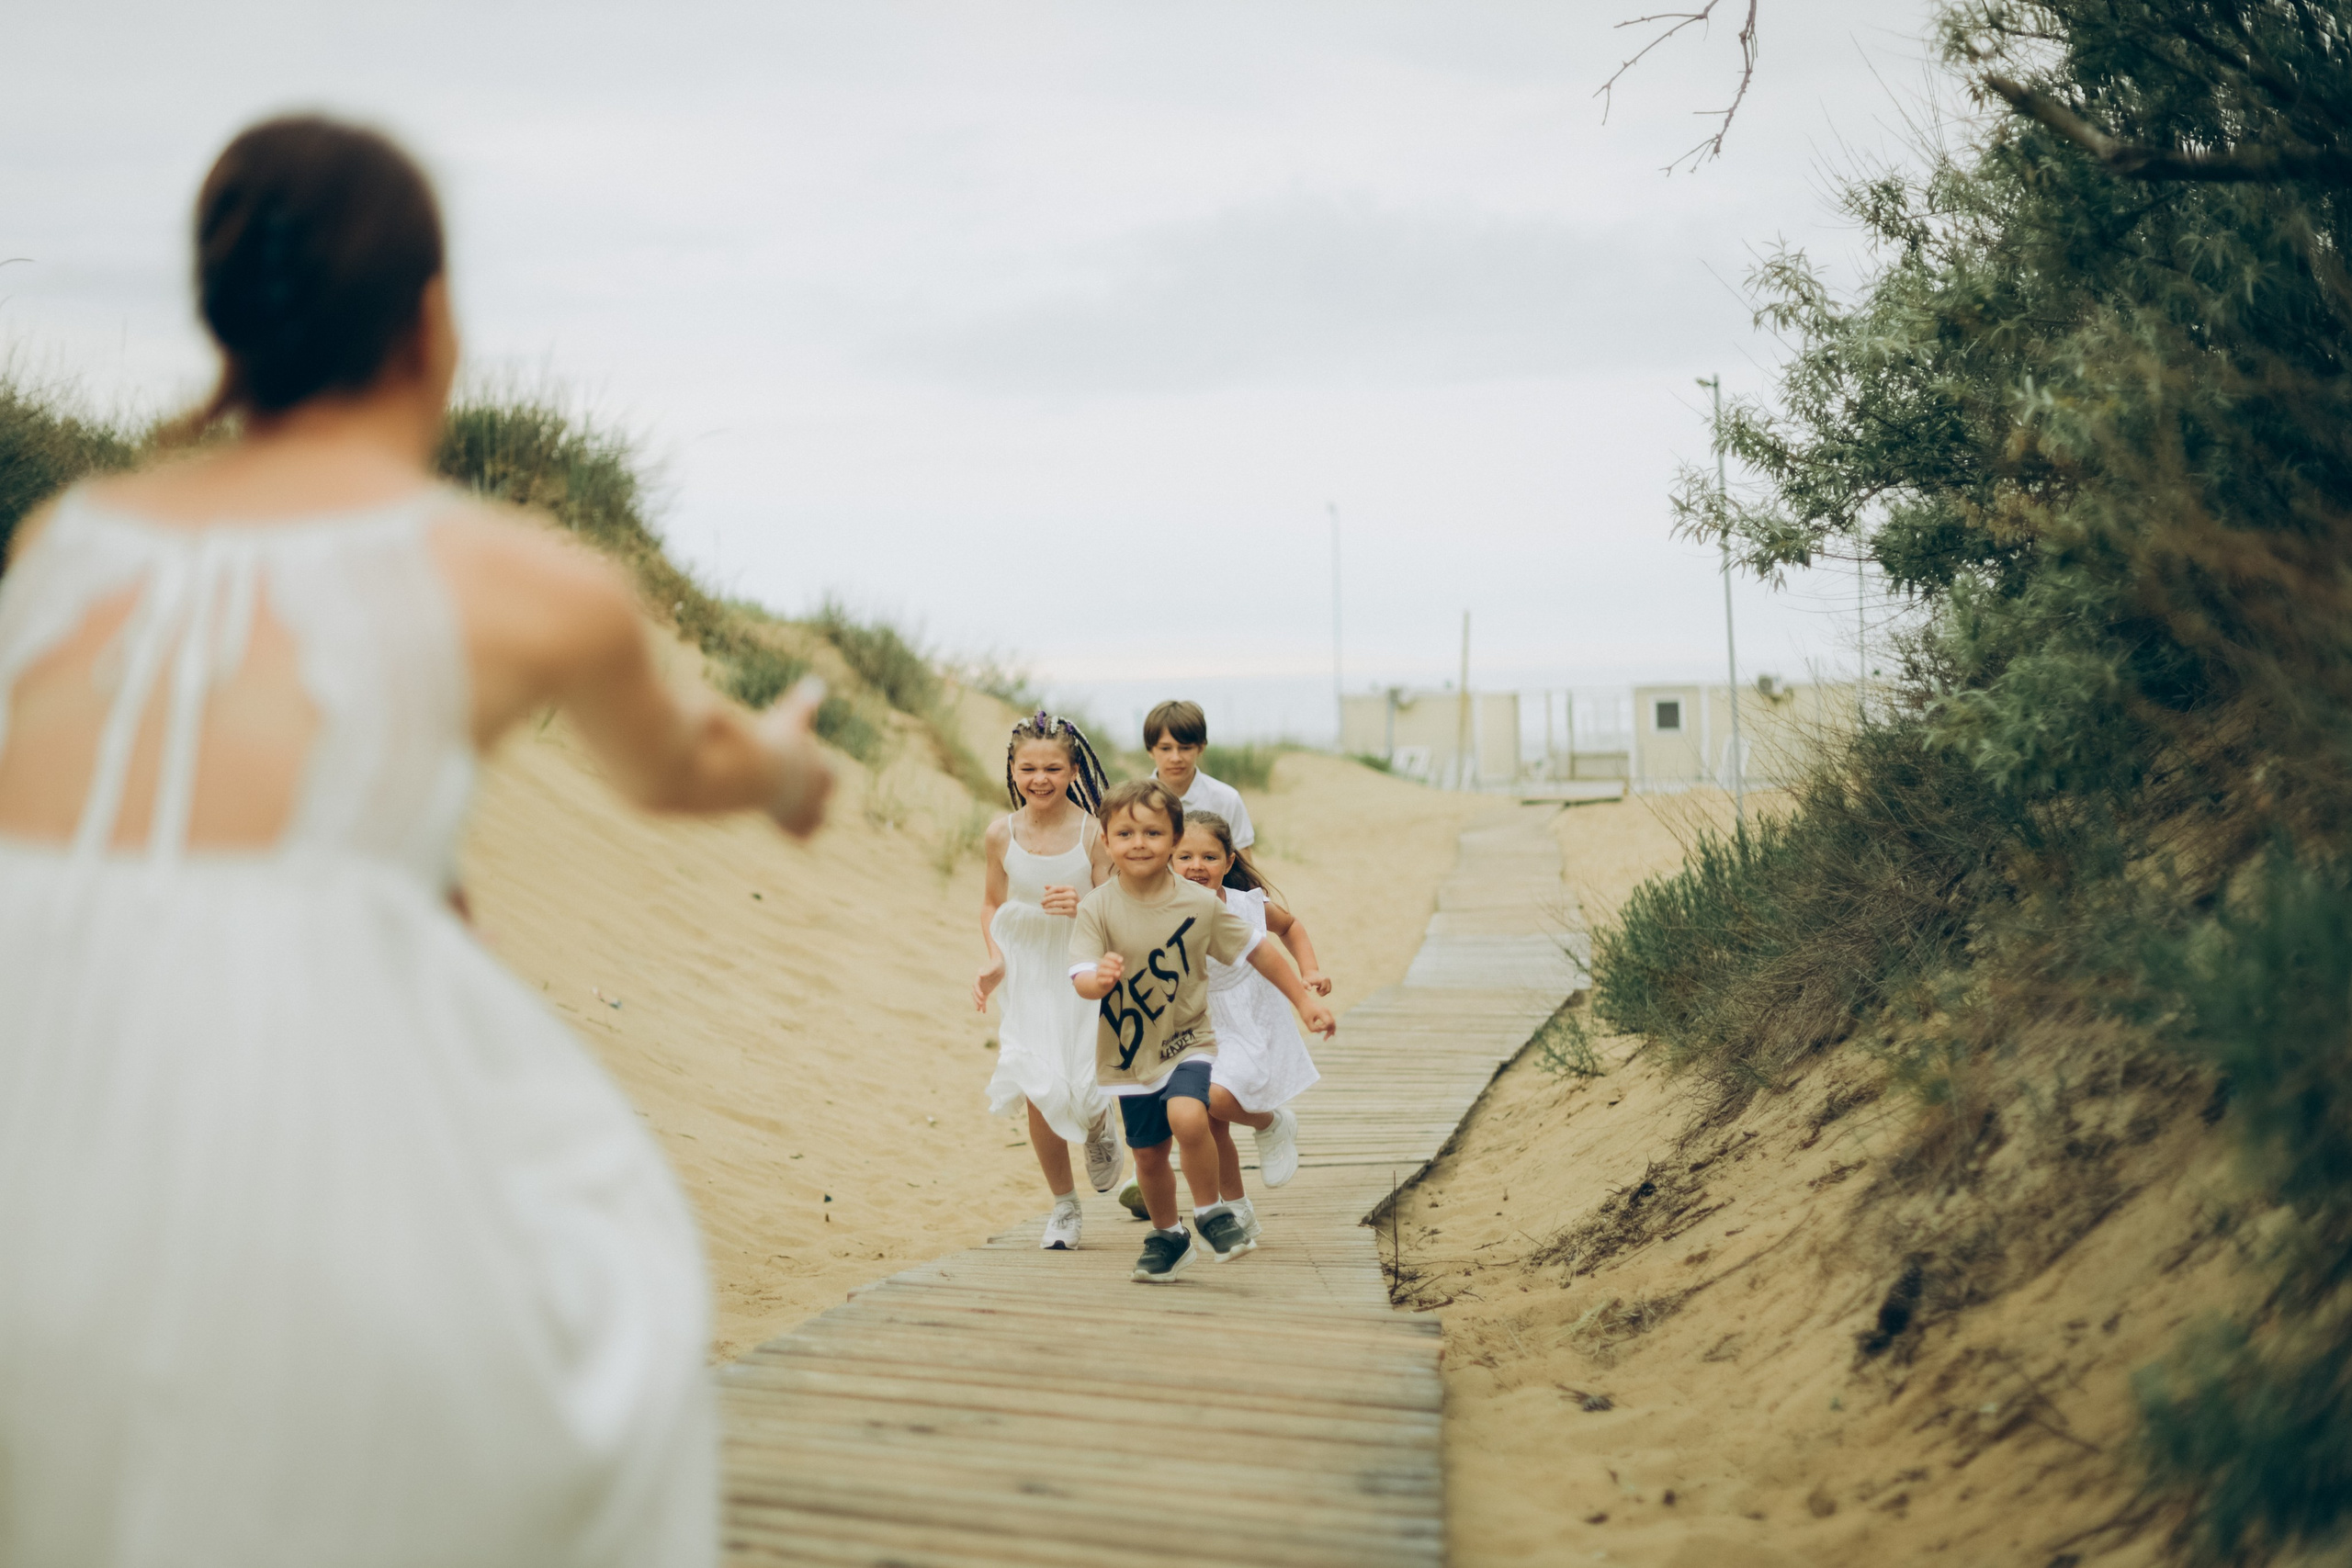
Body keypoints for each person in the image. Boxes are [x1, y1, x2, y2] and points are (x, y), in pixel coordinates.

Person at [0, 116, 831, 1567]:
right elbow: (686, 760)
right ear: (430, 317)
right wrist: (784, 769)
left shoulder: (65, 542)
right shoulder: (513, 573)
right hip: (279, 1093)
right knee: (590, 1341)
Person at [1069, 780, 1334, 1282]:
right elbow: (1079, 974)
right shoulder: (1096, 908)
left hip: (1189, 1039)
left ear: (1171, 842)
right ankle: (1168, 1235)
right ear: (1106, 841)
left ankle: (1212, 1210)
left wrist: (1304, 1001)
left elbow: (1259, 949)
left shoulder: (1201, 903)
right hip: (1128, 1052)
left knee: (1191, 1117)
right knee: (1147, 1155)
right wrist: (1095, 979)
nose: (1139, 842)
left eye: (1152, 832)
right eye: (1125, 832)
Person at [972, 711, 1125, 1249]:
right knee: (1037, 1083)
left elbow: (1118, 908)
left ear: (1073, 768)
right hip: (1026, 966)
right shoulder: (1000, 833)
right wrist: (994, 959)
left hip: (1080, 963)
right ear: (1012, 769)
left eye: (1053, 768)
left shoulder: (1093, 834)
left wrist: (1083, 904)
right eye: (1028, 768)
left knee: (1083, 1086)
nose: (1040, 779)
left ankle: (1100, 1123)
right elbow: (993, 903)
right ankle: (1064, 1207)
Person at [1172, 810, 1328, 1245]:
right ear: (1168, 859)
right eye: (1185, 856)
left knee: (1217, 1100)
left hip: (1247, 1015)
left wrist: (1309, 971)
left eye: (1208, 856)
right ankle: (1237, 1210)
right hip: (1195, 1021)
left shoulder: (1245, 905)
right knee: (1208, 1122)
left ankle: (1269, 1123)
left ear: (1228, 860)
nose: (1196, 866)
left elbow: (1291, 926)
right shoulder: (1162, 908)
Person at [1143, 697, 1253, 851]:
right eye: (1165, 748)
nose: (1176, 758)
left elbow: (1243, 864)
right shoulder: (1136, 802)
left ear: (1201, 748)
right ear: (1150, 750)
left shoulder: (1227, 799)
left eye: (1185, 748)